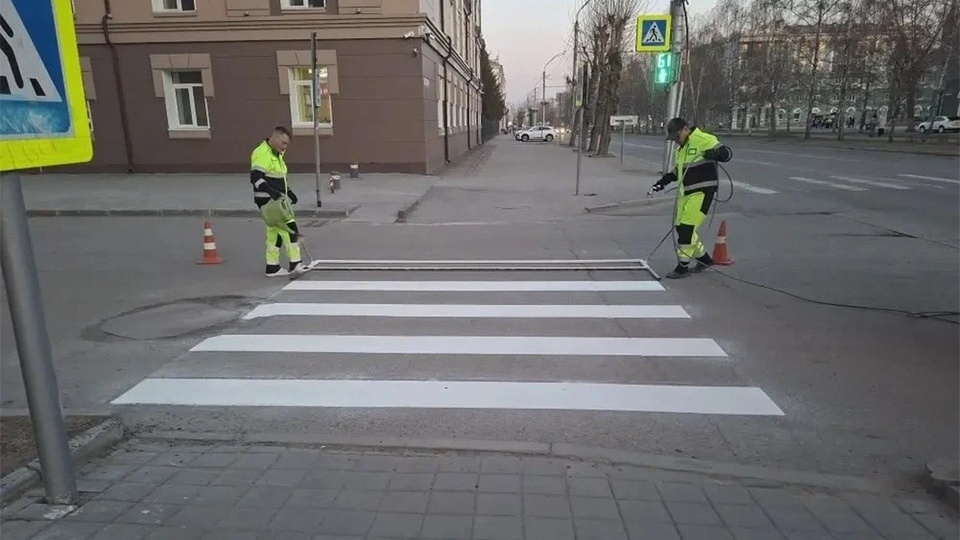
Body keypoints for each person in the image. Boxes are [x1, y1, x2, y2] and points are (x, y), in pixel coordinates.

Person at [651, 117, 733, 279]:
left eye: (677, 137)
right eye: (673, 139)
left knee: (687, 229)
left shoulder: (702, 139)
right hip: (686, 193)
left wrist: (716, 153)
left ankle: (683, 267)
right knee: (681, 228)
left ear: (685, 129)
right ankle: (704, 259)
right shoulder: (681, 150)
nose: (675, 141)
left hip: (701, 193)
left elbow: (727, 153)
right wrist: (663, 182)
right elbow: (678, 172)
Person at [250, 126, 305, 277]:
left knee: (274, 232)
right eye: (283, 143)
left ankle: (272, 267)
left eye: (287, 144)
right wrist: (271, 191)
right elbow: (255, 177)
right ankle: (296, 263)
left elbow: (280, 177)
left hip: (275, 199)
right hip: (269, 200)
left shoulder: (276, 153)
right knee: (290, 228)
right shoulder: (262, 153)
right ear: (274, 138)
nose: (285, 147)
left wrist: (290, 192)